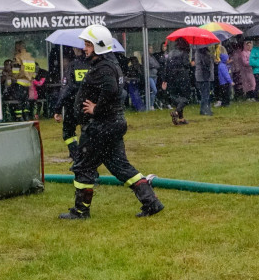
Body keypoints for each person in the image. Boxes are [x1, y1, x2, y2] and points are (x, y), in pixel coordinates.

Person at [59, 25, 163, 220]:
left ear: (99, 46)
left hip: (100, 128)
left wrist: (95, 109)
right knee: (120, 167)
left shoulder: (105, 68)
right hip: (110, 125)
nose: (84, 48)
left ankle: (80, 211)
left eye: (88, 44)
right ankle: (152, 203)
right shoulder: (107, 65)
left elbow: (112, 90)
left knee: (83, 167)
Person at [54, 47, 90, 163]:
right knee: (87, 131)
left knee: (68, 132)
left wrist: (58, 109)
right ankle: (87, 155)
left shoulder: (73, 65)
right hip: (90, 104)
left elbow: (66, 89)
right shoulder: (95, 65)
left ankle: (77, 157)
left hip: (73, 105)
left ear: (75, 49)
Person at [162, 38, 192, 126]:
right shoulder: (184, 53)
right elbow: (186, 65)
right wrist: (191, 64)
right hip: (182, 77)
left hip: (172, 78)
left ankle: (181, 118)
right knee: (186, 98)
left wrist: (165, 79)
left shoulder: (170, 53)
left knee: (177, 97)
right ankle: (176, 112)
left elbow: (166, 67)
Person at [193, 44, 215, 116]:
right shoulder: (201, 53)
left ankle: (206, 109)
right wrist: (211, 56)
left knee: (206, 93)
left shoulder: (199, 52)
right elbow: (206, 63)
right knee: (205, 94)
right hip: (204, 76)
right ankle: (204, 109)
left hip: (203, 76)